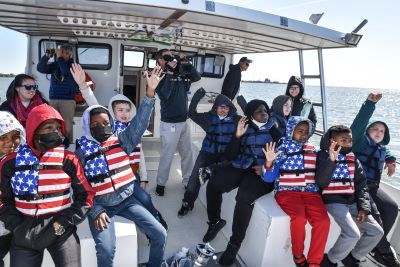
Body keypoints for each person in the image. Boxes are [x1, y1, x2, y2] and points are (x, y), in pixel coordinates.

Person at [74, 66, 167, 267]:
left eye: (106, 123)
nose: (102, 127)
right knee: (107, 251)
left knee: (160, 233)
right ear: (88, 127)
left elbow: (140, 123)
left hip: (127, 199)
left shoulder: (122, 140)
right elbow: (79, 187)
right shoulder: (81, 151)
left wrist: (150, 92)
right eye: (96, 125)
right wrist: (95, 210)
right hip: (101, 203)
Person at [0, 104, 95, 267]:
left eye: (59, 127)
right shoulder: (10, 162)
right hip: (24, 229)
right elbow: (3, 199)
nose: (56, 132)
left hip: (60, 228)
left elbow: (86, 196)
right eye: (49, 127)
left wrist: (62, 224)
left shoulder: (69, 159)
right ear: (34, 129)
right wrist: (16, 226)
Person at [203, 99, 276, 266]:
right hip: (241, 166)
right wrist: (237, 136)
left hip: (261, 172)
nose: (263, 113)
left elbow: (283, 154)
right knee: (214, 184)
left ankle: (234, 245)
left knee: (244, 197)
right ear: (251, 114)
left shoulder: (274, 129)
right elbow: (230, 155)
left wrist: (266, 167)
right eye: (258, 111)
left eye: (265, 110)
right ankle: (214, 221)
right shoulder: (244, 126)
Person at [263, 116, 330, 267]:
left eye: (306, 132)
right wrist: (269, 162)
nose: (304, 135)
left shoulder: (312, 149)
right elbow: (269, 178)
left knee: (323, 222)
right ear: (290, 130)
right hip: (287, 191)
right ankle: (298, 255)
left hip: (311, 193)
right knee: (299, 218)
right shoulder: (282, 148)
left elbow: (321, 171)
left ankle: (314, 263)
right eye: (299, 131)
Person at [315, 125, 383, 267]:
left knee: (376, 232)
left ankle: (352, 257)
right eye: (343, 140)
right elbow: (321, 182)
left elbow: (361, 185)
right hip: (333, 201)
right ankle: (330, 260)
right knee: (353, 234)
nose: (347, 143)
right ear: (330, 142)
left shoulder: (353, 159)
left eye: (350, 140)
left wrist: (364, 207)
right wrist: (331, 161)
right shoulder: (323, 156)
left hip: (352, 201)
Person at [350, 92, 400, 267]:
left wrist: (391, 160)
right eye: (374, 129)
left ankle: (375, 246)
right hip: (358, 186)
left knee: (392, 208)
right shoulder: (359, 142)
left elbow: (385, 150)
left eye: (382, 131)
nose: (378, 133)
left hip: (373, 186)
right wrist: (369, 104)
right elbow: (357, 126)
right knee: (376, 215)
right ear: (367, 131)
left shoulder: (381, 148)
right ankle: (383, 250)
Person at [177, 87, 239, 217]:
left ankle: (215, 215)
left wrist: (243, 101)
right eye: (221, 107)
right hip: (207, 153)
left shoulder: (236, 120)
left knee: (220, 180)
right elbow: (191, 113)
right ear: (215, 107)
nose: (223, 110)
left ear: (230, 109)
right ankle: (187, 203)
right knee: (195, 177)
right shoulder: (208, 118)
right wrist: (197, 96)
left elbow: (252, 117)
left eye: (226, 107)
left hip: (224, 156)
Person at [154, 49, 201, 196]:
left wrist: (186, 63)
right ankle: (161, 183)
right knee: (167, 154)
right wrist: (169, 71)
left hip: (184, 120)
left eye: (172, 56)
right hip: (170, 124)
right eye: (166, 57)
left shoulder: (181, 72)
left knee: (187, 153)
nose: (171, 58)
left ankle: (187, 181)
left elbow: (197, 77)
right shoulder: (157, 76)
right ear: (160, 61)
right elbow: (165, 94)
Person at [37, 43, 77, 143]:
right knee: (53, 122)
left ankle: (67, 144)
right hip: (54, 98)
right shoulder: (56, 64)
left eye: (62, 52)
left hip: (67, 100)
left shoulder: (73, 65)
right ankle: (54, 143)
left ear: (68, 54)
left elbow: (65, 72)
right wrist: (48, 54)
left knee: (67, 125)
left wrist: (59, 58)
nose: (59, 54)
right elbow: (40, 68)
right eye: (59, 52)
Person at [0, 111, 25, 267]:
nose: (10, 143)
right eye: (3, 137)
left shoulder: (25, 162)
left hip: (14, 226)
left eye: (15, 136)